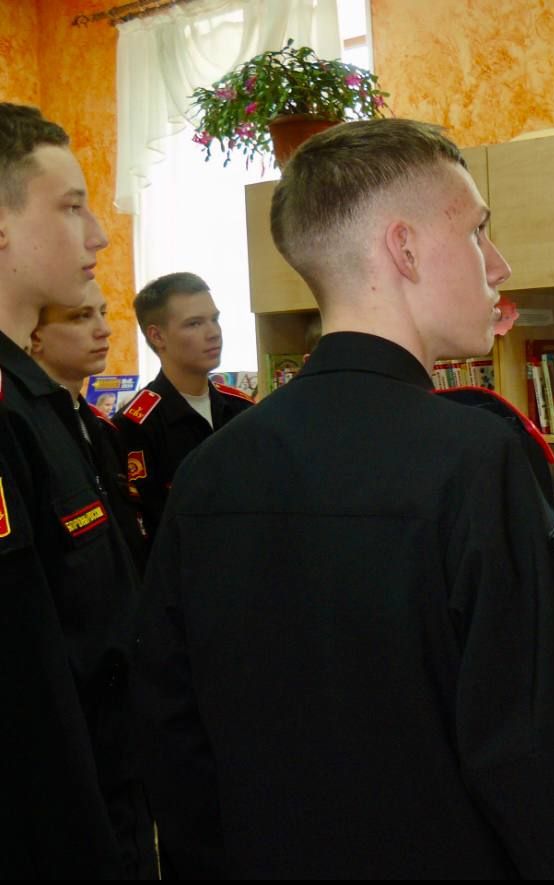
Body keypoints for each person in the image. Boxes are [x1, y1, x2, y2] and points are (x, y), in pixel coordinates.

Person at [133, 118, 554, 879]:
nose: (499, 264)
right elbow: (550, 756)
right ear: (404, 249)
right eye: (477, 232)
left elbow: (175, 739)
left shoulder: (211, 471)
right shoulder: (474, 460)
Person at [0, 102, 148, 877]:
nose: (97, 235)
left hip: (109, 787)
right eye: (69, 206)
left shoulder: (42, 404)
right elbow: (23, 683)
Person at [114, 271, 252, 547]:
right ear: (157, 336)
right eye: (194, 324)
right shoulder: (135, 424)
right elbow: (148, 527)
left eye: (215, 319)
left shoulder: (242, 409)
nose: (213, 333)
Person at [30, 281, 149, 573]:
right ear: (34, 335)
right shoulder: (25, 431)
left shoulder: (103, 428)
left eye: (103, 313)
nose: (104, 329)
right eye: (81, 316)